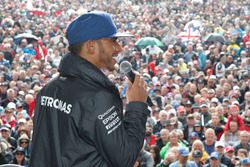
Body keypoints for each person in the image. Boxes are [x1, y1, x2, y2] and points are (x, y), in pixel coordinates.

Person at [30, 11, 149, 167]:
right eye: (113, 41)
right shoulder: (98, 97)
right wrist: (137, 106)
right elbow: (125, 158)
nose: (119, 48)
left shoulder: (49, 89)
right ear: (91, 45)